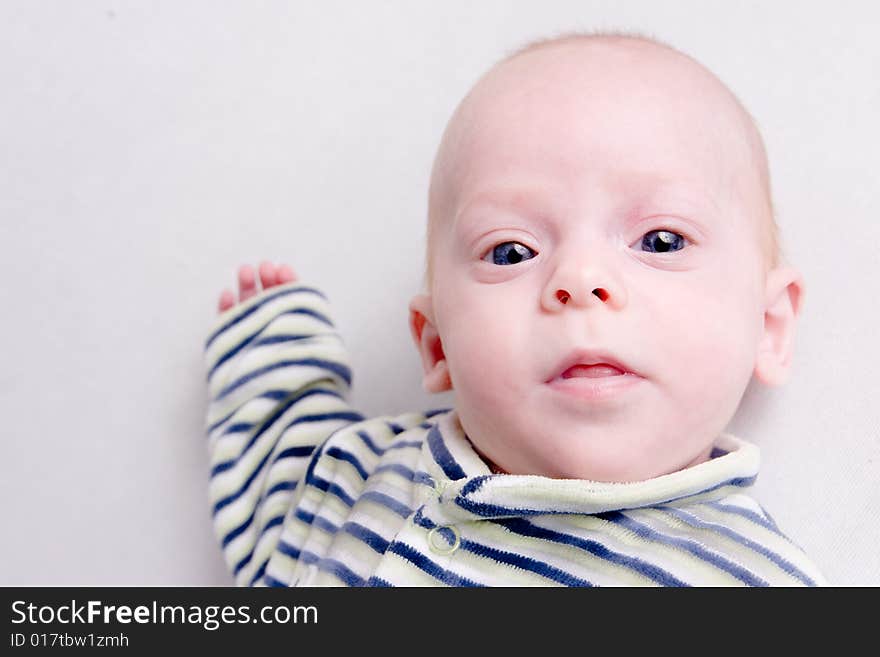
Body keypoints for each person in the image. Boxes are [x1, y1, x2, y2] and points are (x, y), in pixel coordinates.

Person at [203, 31, 826, 586]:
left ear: (767, 327)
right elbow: (276, 510)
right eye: (510, 251)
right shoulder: (357, 471)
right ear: (438, 344)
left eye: (660, 242)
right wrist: (274, 361)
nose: (580, 281)